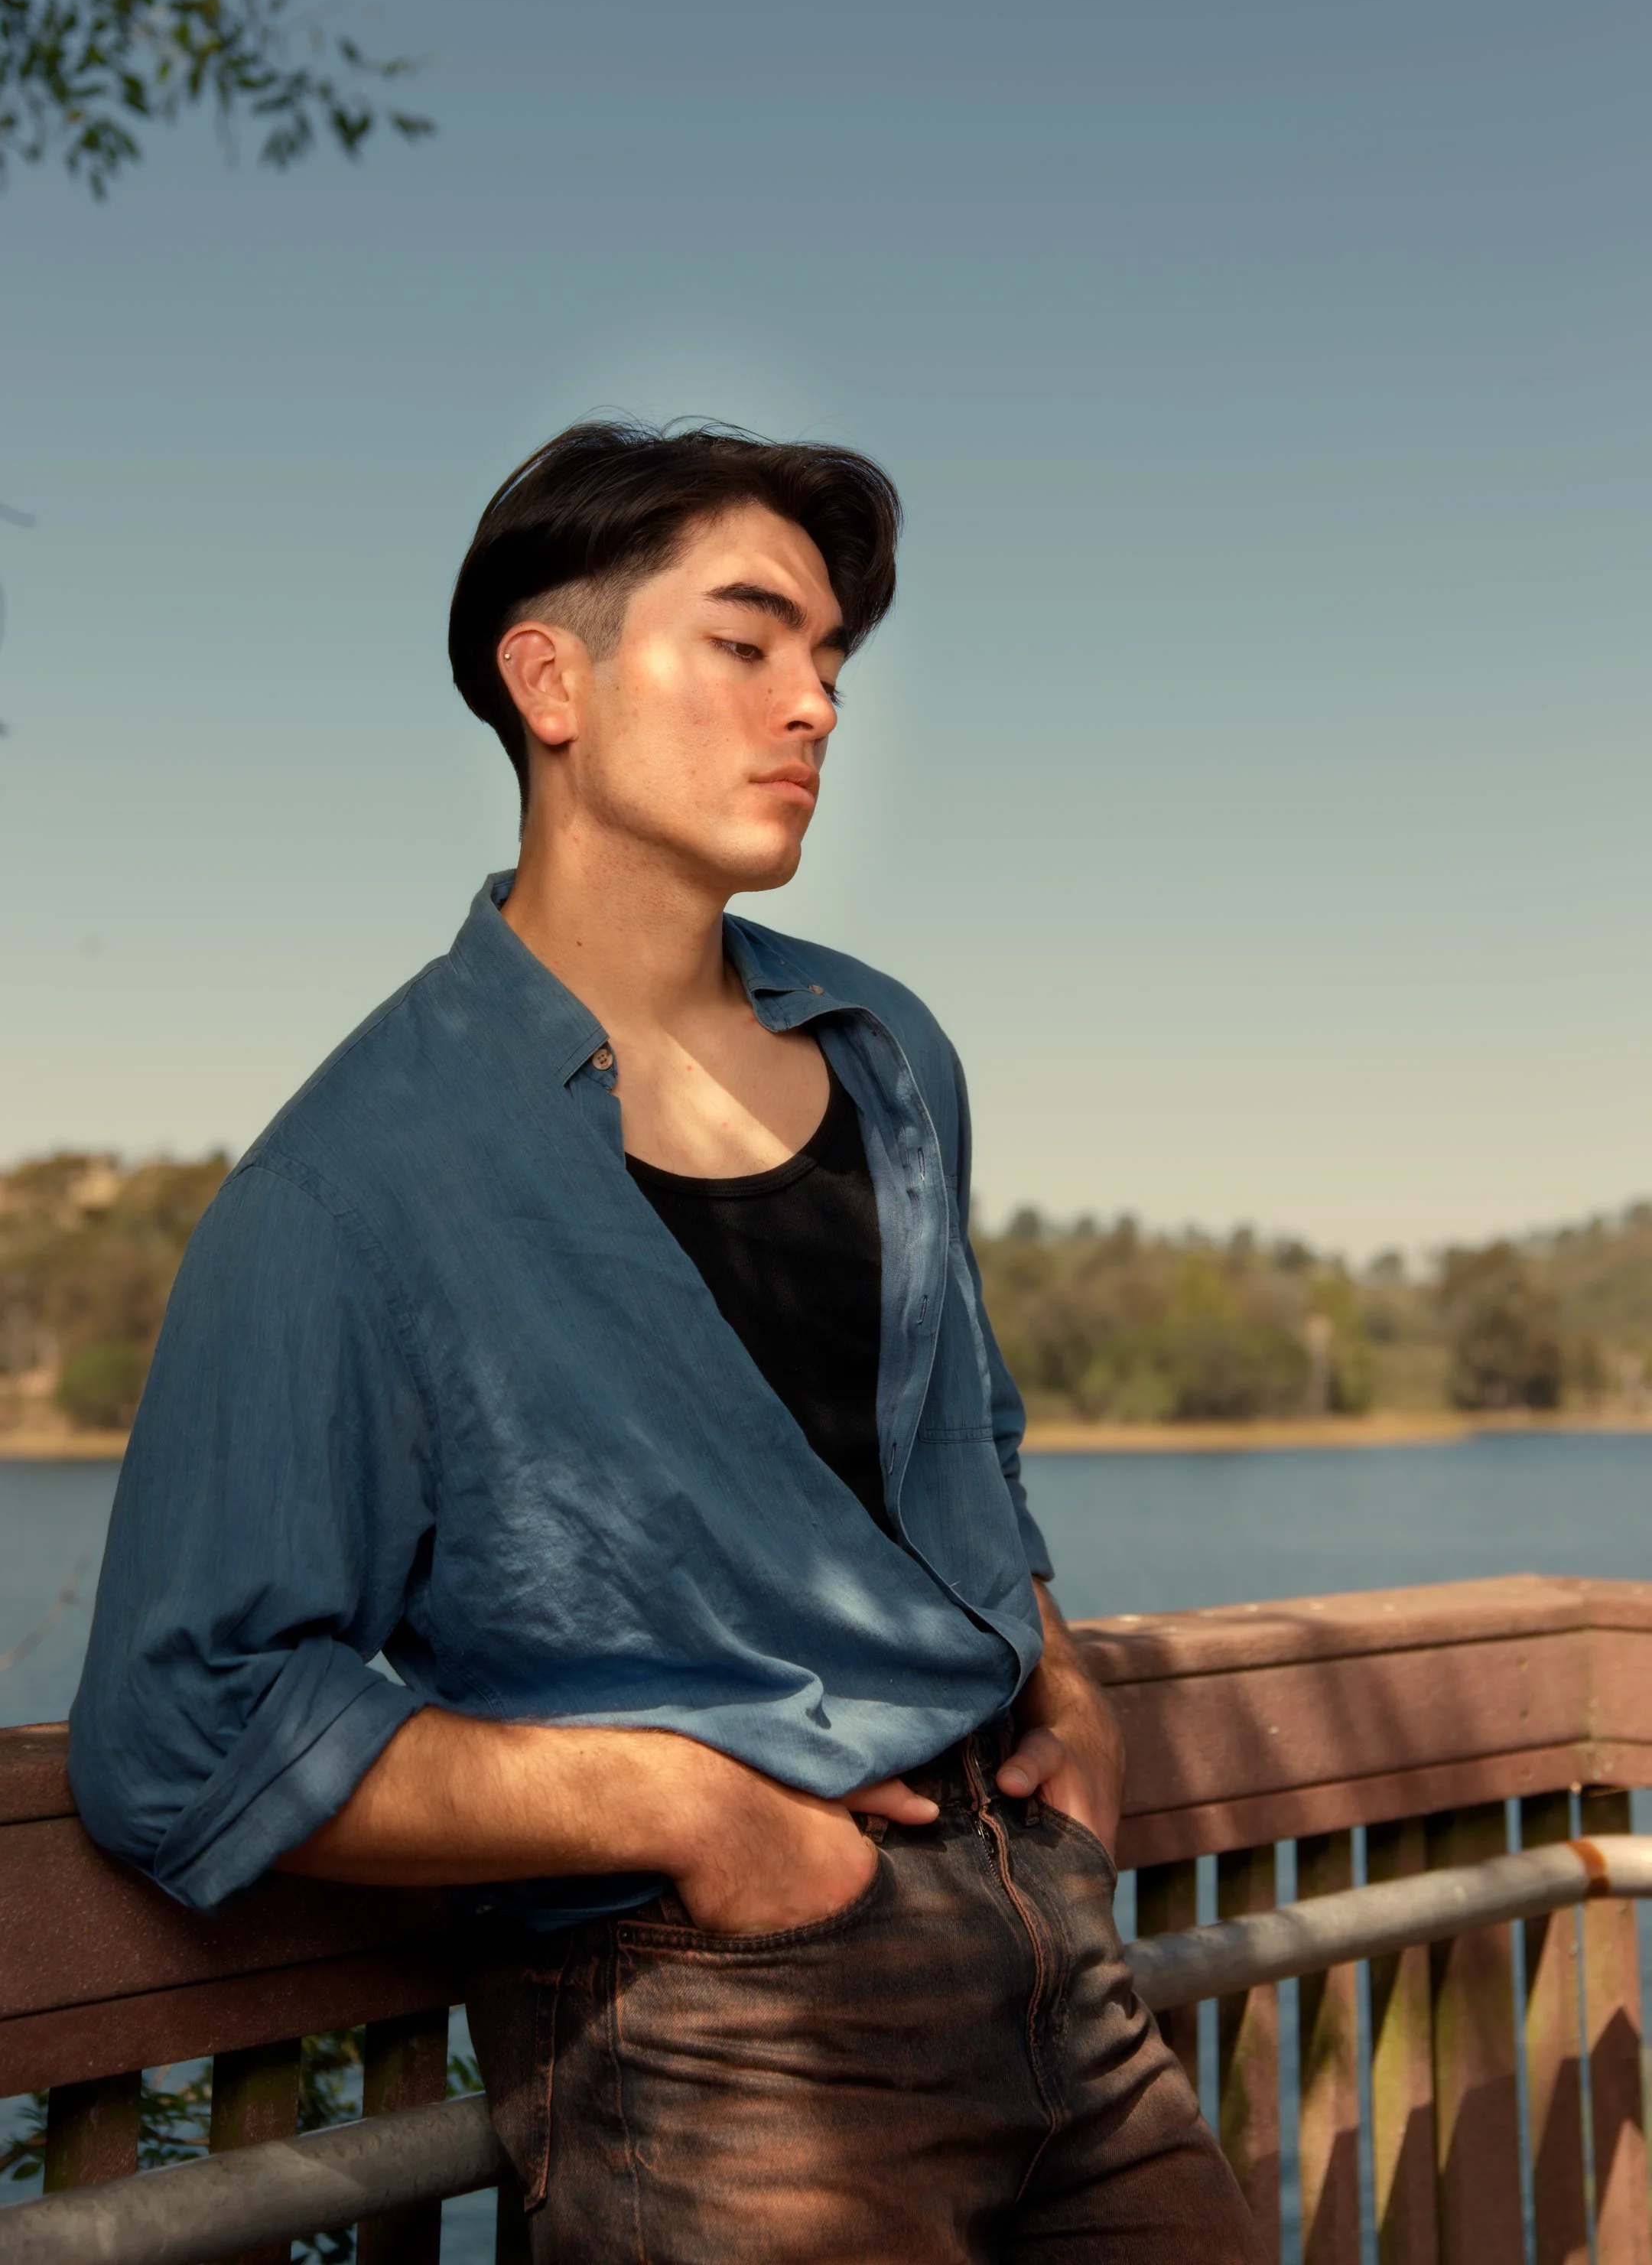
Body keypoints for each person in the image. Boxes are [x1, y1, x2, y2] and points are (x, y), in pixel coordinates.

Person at [70, 423, 1265, 2262]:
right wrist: (687, 1806)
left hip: (1054, 1972)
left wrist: (1068, 1683)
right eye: (748, 641)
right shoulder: (352, 1183)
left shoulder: (890, 1050)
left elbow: (969, 1438)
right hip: (715, 2028)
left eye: (831, 664)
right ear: (546, 678)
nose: (816, 706)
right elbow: (185, 1719)